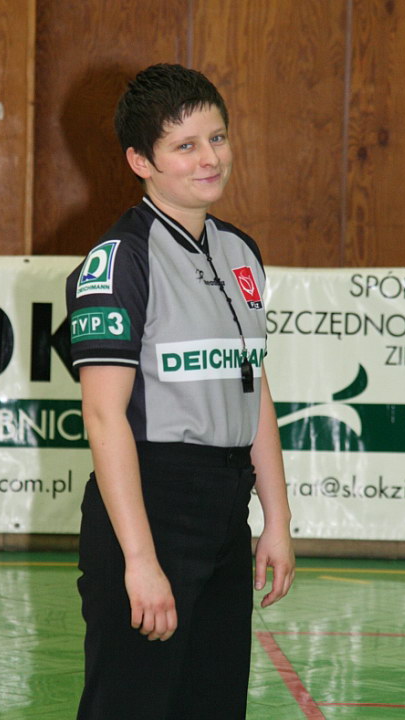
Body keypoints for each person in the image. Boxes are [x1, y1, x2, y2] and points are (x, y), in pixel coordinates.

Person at [66, 63, 295, 720]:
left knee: (213, 704)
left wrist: (276, 521)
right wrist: (139, 560)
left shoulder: (240, 251)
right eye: (185, 146)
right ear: (141, 161)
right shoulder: (122, 259)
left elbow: (254, 390)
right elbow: (104, 417)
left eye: (217, 138)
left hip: (226, 512)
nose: (209, 158)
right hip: (151, 502)